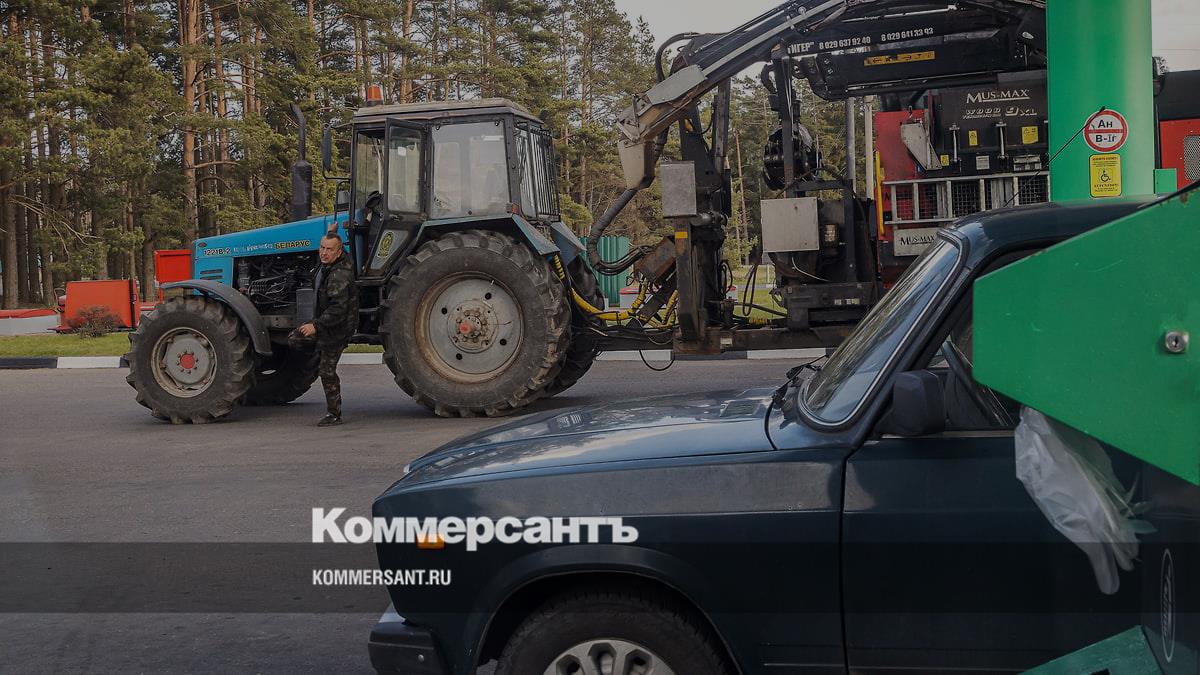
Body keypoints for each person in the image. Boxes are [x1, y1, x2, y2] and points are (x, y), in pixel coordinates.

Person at [290, 232, 359, 426]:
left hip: (337, 328)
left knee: (326, 371)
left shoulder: (339, 275)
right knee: (295, 338)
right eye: (322, 248)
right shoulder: (332, 264)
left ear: (339, 252)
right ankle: (316, 354)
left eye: (329, 249)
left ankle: (334, 414)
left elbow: (338, 310)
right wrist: (332, 230)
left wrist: (316, 326)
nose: (324, 253)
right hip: (326, 323)